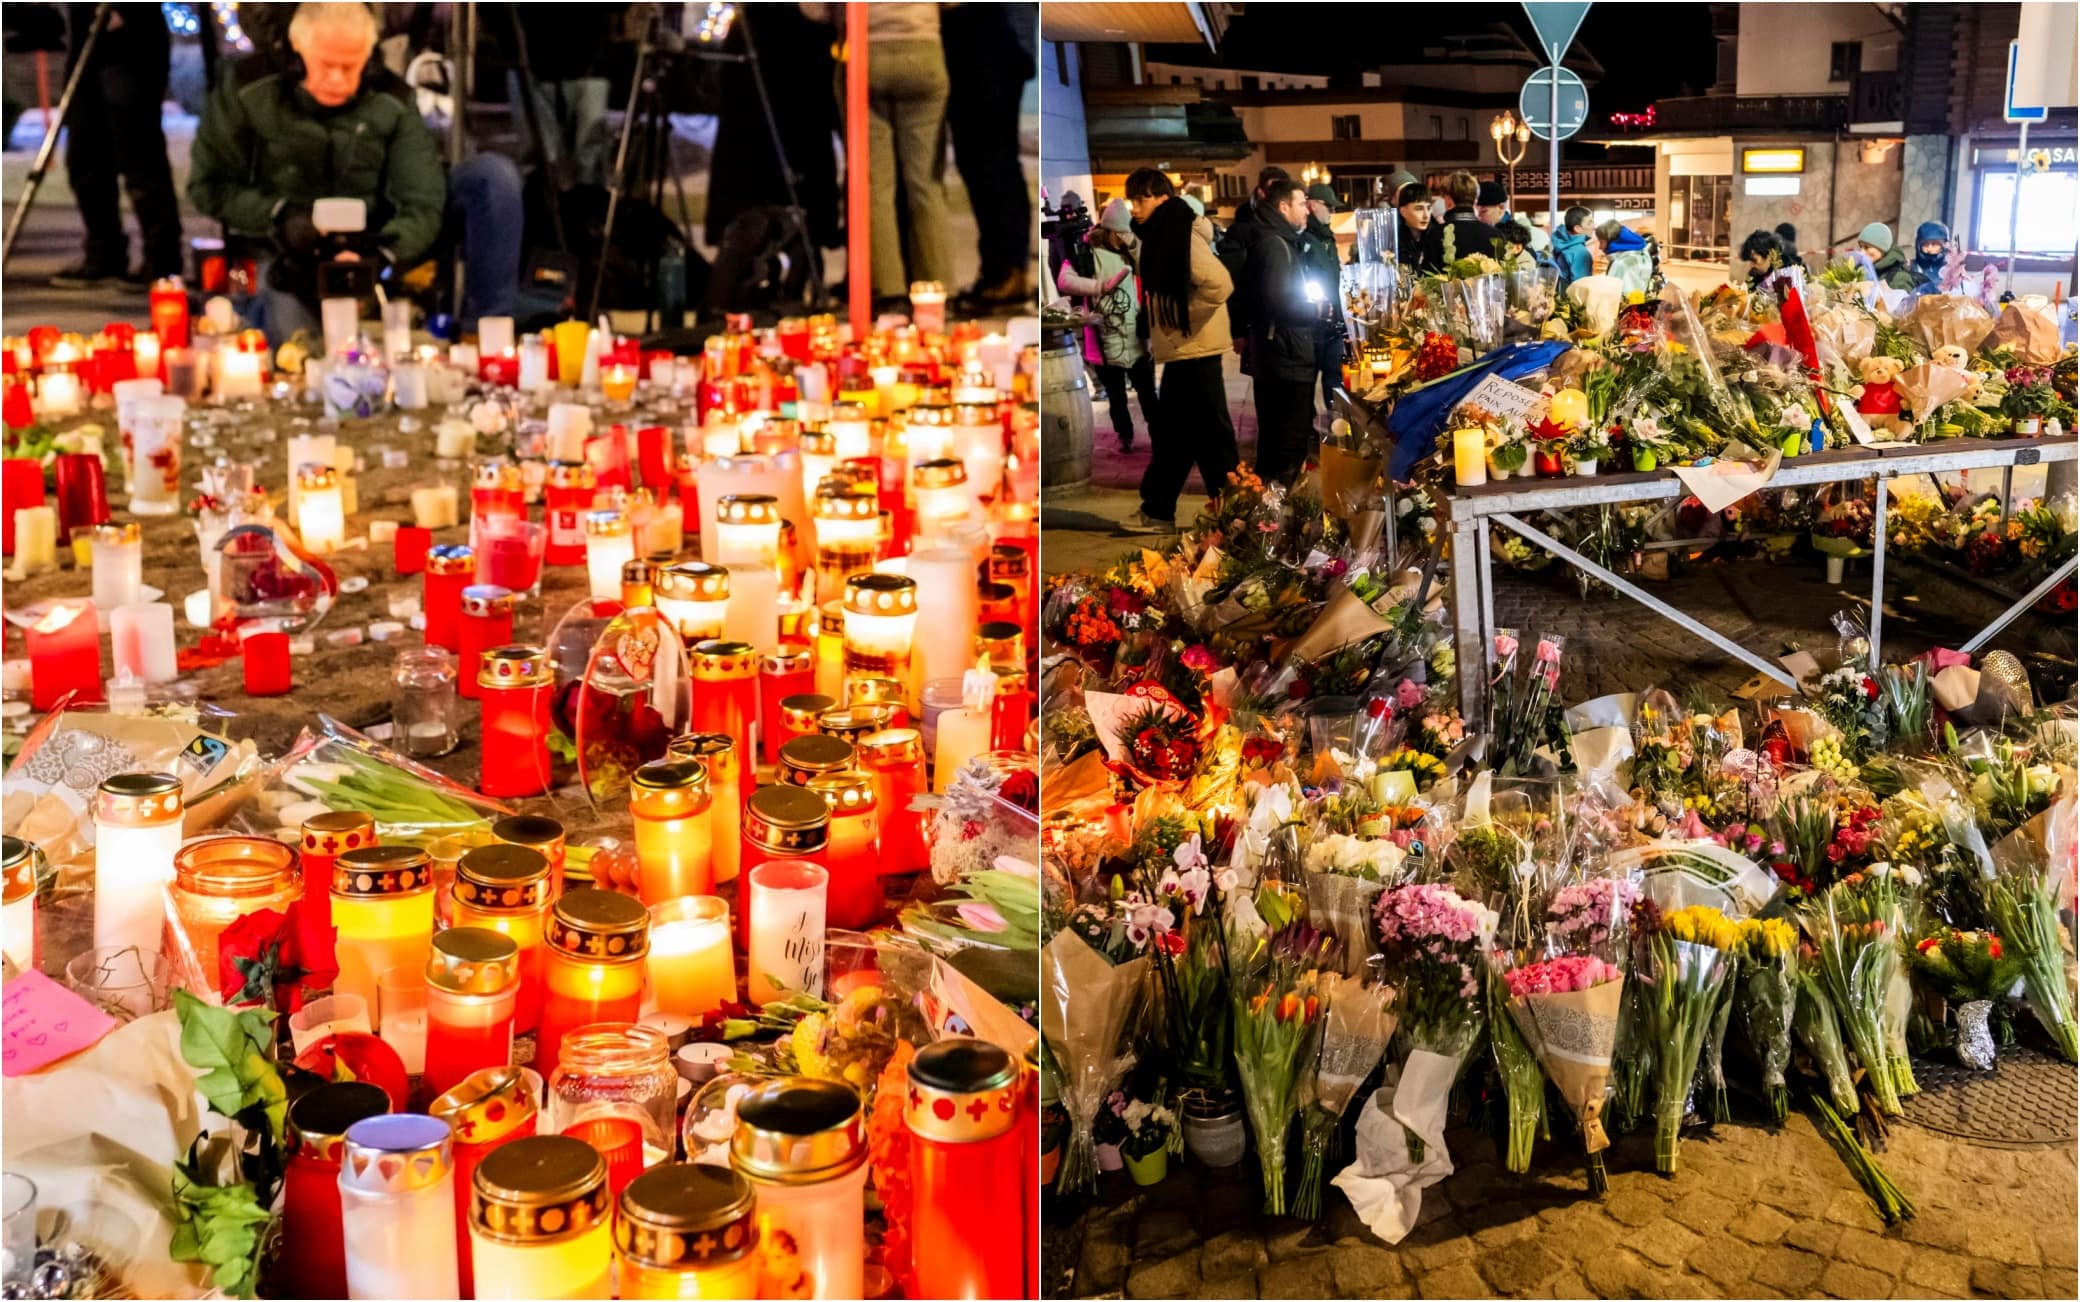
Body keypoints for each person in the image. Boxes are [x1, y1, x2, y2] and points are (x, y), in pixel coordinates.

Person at [188, 1, 523, 343]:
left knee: (492, 177)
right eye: (326, 65)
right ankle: (253, 312)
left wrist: (385, 252)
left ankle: (484, 335)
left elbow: (423, 200)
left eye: (350, 67)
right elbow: (207, 186)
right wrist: (279, 216)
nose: (337, 80)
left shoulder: (391, 100)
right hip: (284, 247)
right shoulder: (248, 90)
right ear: (296, 52)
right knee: (302, 347)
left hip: (374, 238)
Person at [1118, 167, 1236, 534]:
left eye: (1142, 199)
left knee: (1208, 435)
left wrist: (1185, 319)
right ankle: (1161, 510)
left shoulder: (1180, 234)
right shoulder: (1161, 234)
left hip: (1195, 349)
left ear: (1163, 197)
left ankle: (1235, 513)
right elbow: (1162, 273)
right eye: (1132, 200)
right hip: (1185, 351)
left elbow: (1220, 283)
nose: (1135, 208)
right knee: (1179, 435)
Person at [49, 3, 184, 288]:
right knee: (85, 155)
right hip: (86, 34)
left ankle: (162, 259)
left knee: (139, 155)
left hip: (132, 38)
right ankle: (104, 253)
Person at [943, 1, 1037, 310]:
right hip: (986, 44)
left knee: (992, 163)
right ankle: (999, 269)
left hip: (993, 45)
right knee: (979, 162)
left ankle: (1008, 270)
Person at [858, 4, 952, 303]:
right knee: (926, 184)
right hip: (923, 49)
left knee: (876, 187)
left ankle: (889, 293)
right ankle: (936, 292)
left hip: (865, 51)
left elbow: (813, 10)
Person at [1247, 178, 1336, 485]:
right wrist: (1315, 310)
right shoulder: (1275, 244)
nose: (1307, 211)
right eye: (1301, 204)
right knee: (1288, 438)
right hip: (1285, 353)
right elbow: (1278, 300)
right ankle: (1278, 508)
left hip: (1281, 350)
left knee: (1281, 435)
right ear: (1283, 206)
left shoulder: (1279, 239)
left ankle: (1272, 501)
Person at [1055, 199, 1156, 453]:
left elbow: (1152, 267)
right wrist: (1100, 287)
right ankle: (1125, 436)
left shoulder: (1133, 251)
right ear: (1110, 231)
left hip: (1136, 335)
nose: (1124, 238)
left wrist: (1134, 244)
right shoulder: (1086, 254)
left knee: (1147, 393)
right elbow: (1064, 280)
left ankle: (1159, 435)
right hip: (1104, 336)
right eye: (1120, 233)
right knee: (1116, 395)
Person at [506, 8, 614, 189]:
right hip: (532, 64)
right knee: (539, 168)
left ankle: (587, 212)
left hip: (588, 61)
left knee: (589, 167)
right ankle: (544, 211)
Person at [1302, 182, 1347, 424]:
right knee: (1308, 380)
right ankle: (1308, 430)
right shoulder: (1305, 239)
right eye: (1328, 206)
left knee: (1334, 377)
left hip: (1333, 322)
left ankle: (1335, 425)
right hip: (1313, 321)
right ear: (1312, 205)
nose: (1331, 212)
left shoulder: (1326, 238)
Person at [1437, 170, 1503, 263]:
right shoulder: (1495, 235)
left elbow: (1427, 275)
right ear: (1475, 200)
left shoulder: (1436, 235)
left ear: (1448, 200)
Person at [1394, 181, 1443, 274]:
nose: (1426, 215)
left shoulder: (1437, 236)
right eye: (1419, 209)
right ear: (1403, 211)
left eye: (1428, 208)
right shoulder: (1394, 239)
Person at [1596, 219, 1654, 293]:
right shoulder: (1640, 255)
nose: (1600, 247)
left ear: (1612, 242)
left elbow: (1618, 296)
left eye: (1601, 242)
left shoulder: (1622, 264)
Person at [1856, 222, 1915, 291]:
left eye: (1866, 247)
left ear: (1882, 248)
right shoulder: (1860, 271)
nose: (1861, 252)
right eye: (1860, 247)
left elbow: (1903, 301)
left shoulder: (1899, 278)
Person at [1552, 204, 1594, 286]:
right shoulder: (1580, 252)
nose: (1594, 226)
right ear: (1577, 228)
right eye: (1589, 223)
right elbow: (1580, 285)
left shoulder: (1561, 245)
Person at [1909, 220, 1950, 293]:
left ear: (1944, 245)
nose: (1930, 248)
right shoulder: (1910, 267)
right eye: (1925, 244)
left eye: (1934, 244)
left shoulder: (1951, 270)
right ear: (1918, 245)